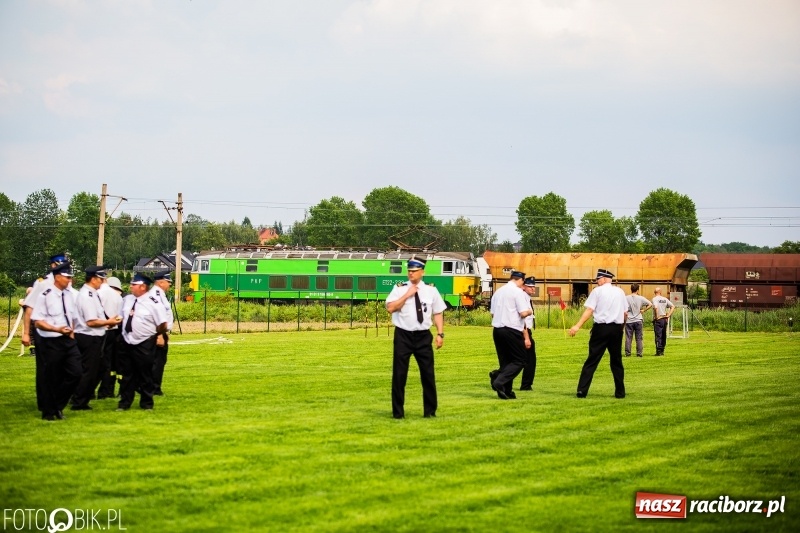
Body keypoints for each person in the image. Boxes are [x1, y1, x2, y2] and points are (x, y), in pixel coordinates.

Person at [385, 256, 446, 419]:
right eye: (409, 271)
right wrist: (406, 295)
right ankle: (398, 412)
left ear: (422, 272)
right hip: (403, 335)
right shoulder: (399, 288)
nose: (411, 274)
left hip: (423, 336)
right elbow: (390, 308)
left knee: (428, 374)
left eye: (414, 271)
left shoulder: (431, 290)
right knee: (399, 375)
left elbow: (438, 312)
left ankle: (430, 411)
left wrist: (440, 333)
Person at [29, 262, 82, 420]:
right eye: (66, 277)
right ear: (57, 277)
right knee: (52, 377)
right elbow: (38, 322)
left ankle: (57, 405)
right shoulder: (45, 295)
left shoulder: (69, 295)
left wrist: (71, 332)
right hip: (51, 341)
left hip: (67, 339)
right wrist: (57, 329)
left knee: (76, 372)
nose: (69, 280)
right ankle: (50, 412)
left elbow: (71, 316)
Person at [568, 268, 628, 399]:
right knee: (616, 361)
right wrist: (621, 328)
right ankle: (620, 392)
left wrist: (577, 326)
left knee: (592, 360)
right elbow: (625, 313)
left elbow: (590, 310)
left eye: (598, 279)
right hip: (616, 329)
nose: (596, 282)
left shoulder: (597, 291)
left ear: (605, 278)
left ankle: (582, 390)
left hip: (601, 328)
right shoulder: (620, 292)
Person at [21, 253, 69, 412]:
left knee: (62, 367)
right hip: (43, 331)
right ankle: (44, 402)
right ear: (53, 266)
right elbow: (29, 308)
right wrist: (26, 332)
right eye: (59, 265)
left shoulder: (66, 284)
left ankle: (55, 399)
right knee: (45, 368)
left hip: (62, 331)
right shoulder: (42, 284)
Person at [70, 266, 122, 410]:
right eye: (100, 278)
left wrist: (107, 321)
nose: (102, 281)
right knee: (89, 370)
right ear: (93, 279)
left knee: (98, 369)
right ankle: (78, 400)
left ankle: (82, 398)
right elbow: (91, 321)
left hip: (96, 335)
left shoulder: (93, 294)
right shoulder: (87, 296)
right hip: (88, 336)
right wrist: (109, 322)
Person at [117, 274, 168, 411]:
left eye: (133, 284)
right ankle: (124, 403)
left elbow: (162, 323)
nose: (130, 287)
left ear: (142, 286)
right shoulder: (127, 300)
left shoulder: (153, 302)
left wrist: (158, 334)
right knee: (127, 374)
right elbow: (120, 317)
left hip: (145, 342)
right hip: (127, 340)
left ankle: (146, 403)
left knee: (145, 374)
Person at [489, 270, 533, 400]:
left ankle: (506, 391)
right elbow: (523, 313)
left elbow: (492, 313)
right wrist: (530, 311)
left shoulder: (498, 292)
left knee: (506, 362)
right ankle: (499, 381)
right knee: (520, 360)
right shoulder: (518, 292)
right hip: (512, 330)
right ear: (520, 280)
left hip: (497, 330)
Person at [97, 276, 124, 399]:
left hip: (97, 331)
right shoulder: (118, 298)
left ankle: (89, 391)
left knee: (95, 362)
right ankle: (107, 391)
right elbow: (120, 317)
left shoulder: (97, 293)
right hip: (113, 331)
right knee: (110, 363)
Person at [149, 270, 174, 396]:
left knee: (159, 361)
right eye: (168, 282)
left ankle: (154, 387)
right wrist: (159, 334)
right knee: (157, 362)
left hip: (161, 332)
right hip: (156, 333)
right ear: (161, 282)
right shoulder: (155, 295)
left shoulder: (160, 294)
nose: (169, 285)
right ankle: (154, 388)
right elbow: (155, 316)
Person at [519, 276, 537, 391]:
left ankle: (498, 375)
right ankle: (526, 385)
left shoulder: (525, 297)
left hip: (523, 331)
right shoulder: (523, 298)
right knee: (529, 360)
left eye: (534, 287)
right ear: (524, 286)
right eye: (531, 287)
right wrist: (526, 337)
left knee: (517, 358)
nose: (533, 290)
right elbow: (522, 318)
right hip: (524, 331)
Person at [625, 284, 653, 357]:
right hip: (638, 319)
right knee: (639, 338)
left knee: (628, 337)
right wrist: (644, 310)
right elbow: (650, 304)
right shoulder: (641, 298)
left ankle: (628, 353)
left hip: (629, 320)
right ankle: (639, 353)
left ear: (631, 289)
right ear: (637, 290)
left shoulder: (626, 298)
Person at [651, 287, 675, 356]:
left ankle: (658, 351)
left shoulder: (654, 299)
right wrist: (668, 315)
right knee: (663, 335)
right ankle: (662, 350)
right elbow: (673, 306)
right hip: (664, 319)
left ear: (654, 292)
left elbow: (655, 307)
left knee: (658, 335)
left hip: (658, 319)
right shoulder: (665, 299)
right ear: (660, 292)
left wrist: (656, 317)